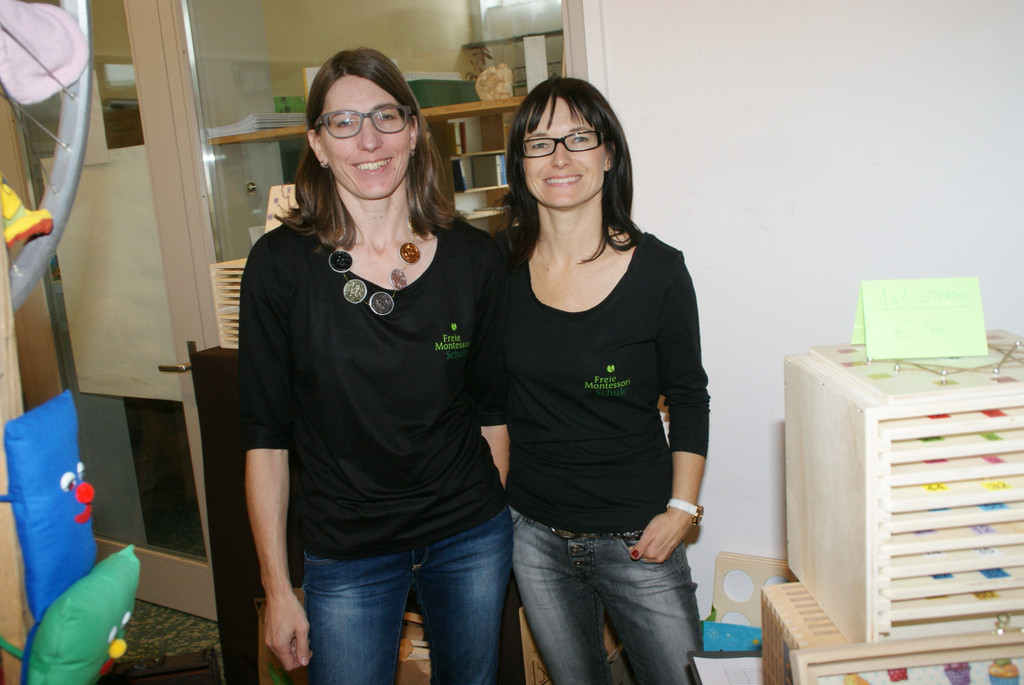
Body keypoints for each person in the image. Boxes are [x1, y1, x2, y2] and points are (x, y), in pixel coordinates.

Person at [238, 47, 512, 685]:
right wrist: (278, 588)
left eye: (386, 117)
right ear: (317, 143)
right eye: (343, 122)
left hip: (469, 538)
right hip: (348, 549)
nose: (368, 140)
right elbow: (265, 442)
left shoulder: (474, 257)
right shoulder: (279, 267)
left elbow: (492, 413)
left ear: (413, 131)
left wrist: (486, 520)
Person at [499, 76, 711, 685]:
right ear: (521, 163)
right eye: (539, 143)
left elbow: (689, 397)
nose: (559, 157)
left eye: (578, 138)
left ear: (609, 153)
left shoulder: (659, 270)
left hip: (638, 536)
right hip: (533, 535)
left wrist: (682, 509)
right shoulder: (498, 266)